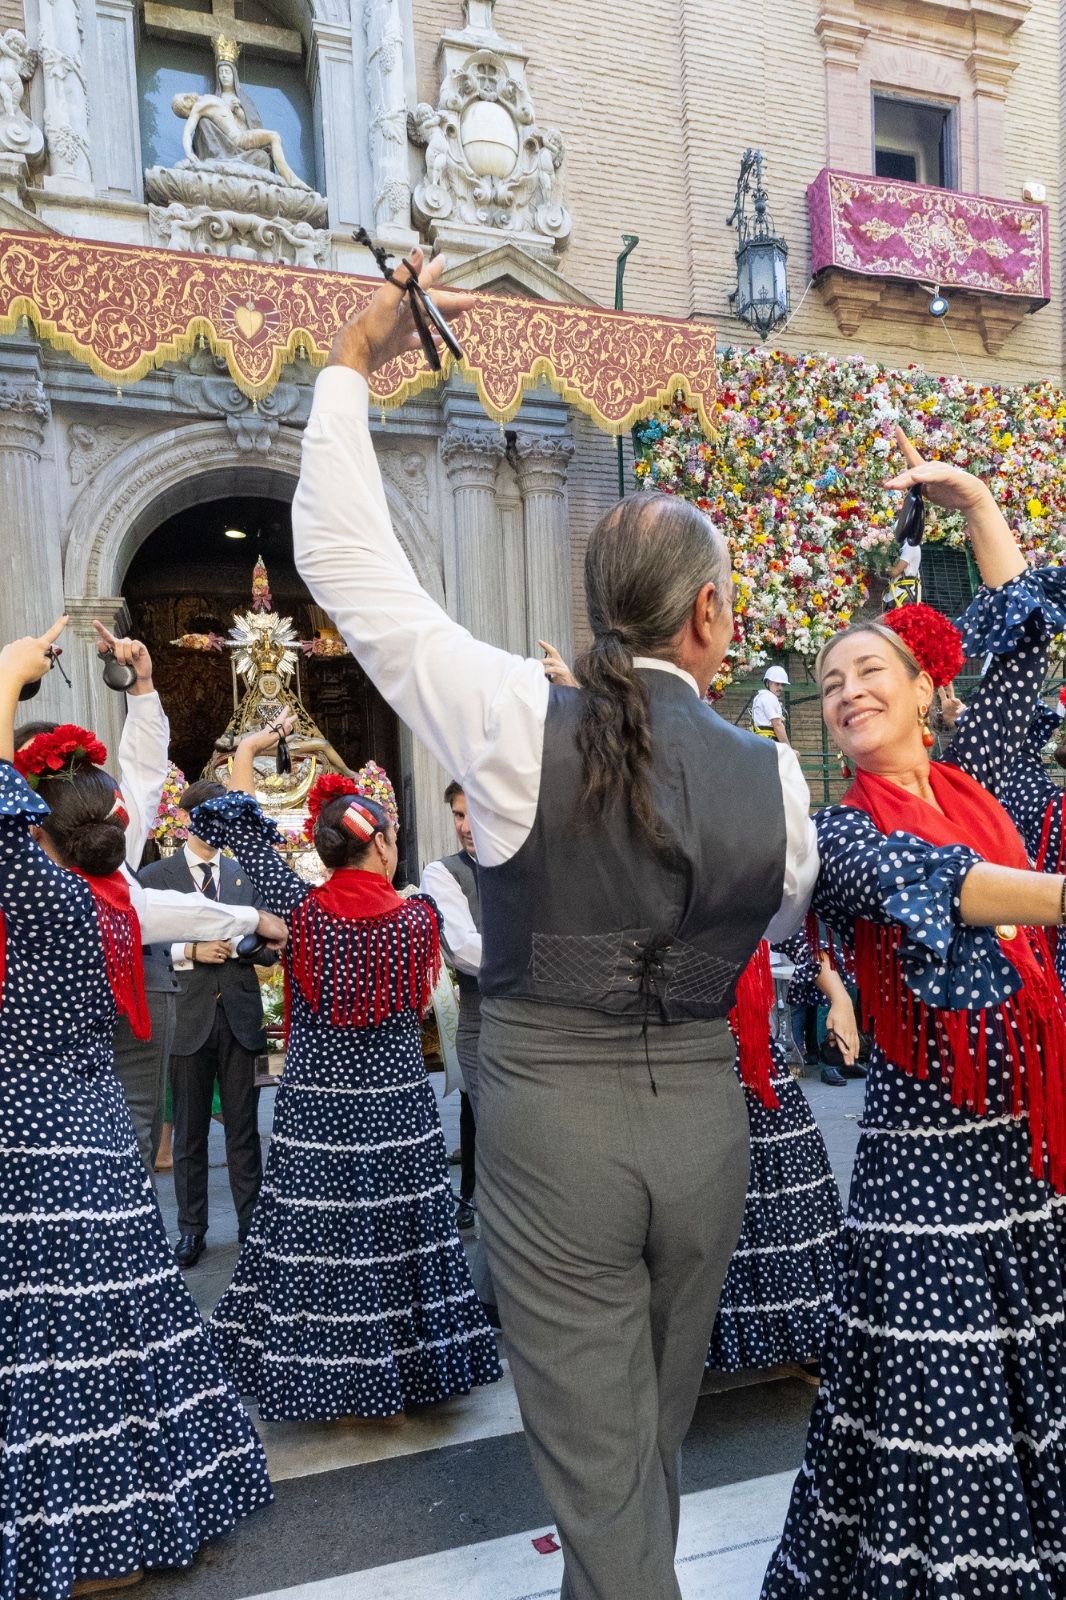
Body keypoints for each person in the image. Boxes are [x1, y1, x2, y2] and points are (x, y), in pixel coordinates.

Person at [291, 251, 817, 1600]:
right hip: (706, 1131)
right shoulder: (777, 774)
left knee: (607, 1471)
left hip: (552, 1136)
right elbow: (784, 895)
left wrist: (353, 364)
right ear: (710, 618)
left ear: (595, 615)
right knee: (636, 1452)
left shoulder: (519, 720)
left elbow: (352, 570)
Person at [762, 430, 1066, 1597]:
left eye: (868, 672)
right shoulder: (843, 837)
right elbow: (934, 891)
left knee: (1028, 1396)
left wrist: (978, 502)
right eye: (829, 683)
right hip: (924, 1171)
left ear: (926, 693)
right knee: (941, 1419)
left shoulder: (983, 785)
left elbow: (1017, 643)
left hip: (1025, 1158)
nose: (844, 692)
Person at [0, 622, 275, 1599]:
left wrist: (5, 680)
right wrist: (258, 919)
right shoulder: (107, 896)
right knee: (122, 1319)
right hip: (94, 1150)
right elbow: (149, 803)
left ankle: (69, 1532)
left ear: (36, 834)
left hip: (31, 1143)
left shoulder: (34, 893)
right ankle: (145, 1503)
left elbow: (139, 797)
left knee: (47, 1341)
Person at [194, 735, 502, 1421]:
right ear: (383, 846)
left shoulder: (301, 912)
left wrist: (245, 754)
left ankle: (329, 1378)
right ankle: (412, 1371)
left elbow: (228, 820)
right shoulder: (418, 915)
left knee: (321, 1233)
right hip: (396, 1105)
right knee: (402, 1232)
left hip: (317, 1107)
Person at [140, 779, 267, 1268]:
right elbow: (144, 945)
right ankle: (191, 1230)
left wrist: (244, 946)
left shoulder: (241, 873)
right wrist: (189, 950)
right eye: (210, 816)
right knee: (189, 1133)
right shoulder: (156, 876)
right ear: (189, 818)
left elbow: (268, 939)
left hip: (239, 1016)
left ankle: (252, 1226)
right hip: (186, 1016)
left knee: (243, 1130)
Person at [706, 940, 849, 1375]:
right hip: (695, 1069)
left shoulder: (756, 891)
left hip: (758, 1068)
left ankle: (804, 1335)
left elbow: (803, 944)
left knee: (794, 1203)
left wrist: (840, 997)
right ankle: (706, 1348)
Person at [420, 781, 482, 1233]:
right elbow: (463, 948)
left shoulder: (537, 866)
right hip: (486, 1020)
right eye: (457, 816)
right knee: (487, 1124)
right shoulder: (444, 872)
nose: (463, 826)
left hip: (548, 1023)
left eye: (471, 814)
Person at [752, 664, 791, 743]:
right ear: (768, 683)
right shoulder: (769, 697)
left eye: (782, 685)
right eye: (777, 683)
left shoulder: (761, 697)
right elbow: (777, 725)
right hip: (769, 742)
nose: (780, 688)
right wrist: (788, 749)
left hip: (761, 742)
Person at [886, 531, 923, 608]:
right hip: (897, 593)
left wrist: (879, 561)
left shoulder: (911, 546)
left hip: (903, 596)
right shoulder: (904, 545)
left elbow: (894, 572)